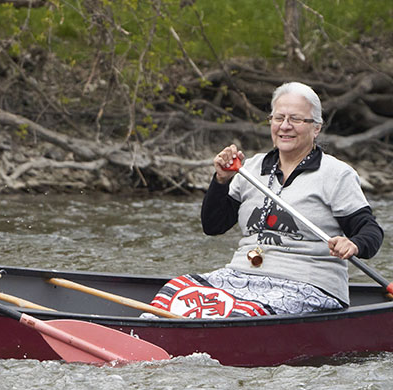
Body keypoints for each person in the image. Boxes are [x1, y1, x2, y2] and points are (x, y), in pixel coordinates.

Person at [151, 81, 384, 317]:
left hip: (307, 285)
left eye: (295, 119)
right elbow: (213, 226)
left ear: (316, 128)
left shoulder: (336, 174)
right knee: (173, 293)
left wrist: (353, 244)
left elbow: (371, 232)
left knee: (243, 314)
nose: (285, 126)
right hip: (241, 277)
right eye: (278, 118)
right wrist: (221, 180)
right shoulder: (249, 169)